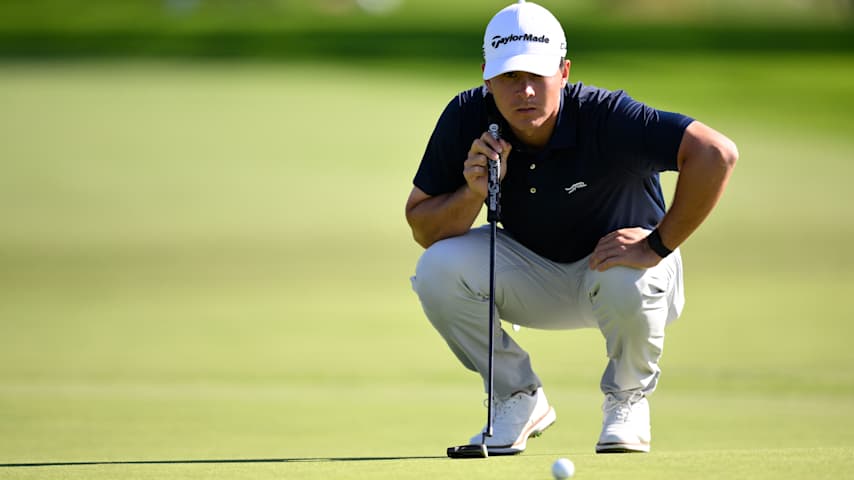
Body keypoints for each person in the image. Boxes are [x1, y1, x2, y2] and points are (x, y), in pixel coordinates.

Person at [405, 0, 737, 455]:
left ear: (563, 72)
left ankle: (627, 400)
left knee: (625, 276)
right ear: (486, 75)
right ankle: (517, 398)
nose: (524, 91)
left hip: (622, 273)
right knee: (436, 268)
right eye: (509, 77)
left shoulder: (608, 117)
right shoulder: (468, 116)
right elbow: (423, 226)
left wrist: (658, 244)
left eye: (536, 76)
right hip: (531, 273)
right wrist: (473, 193)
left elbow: (715, 153)